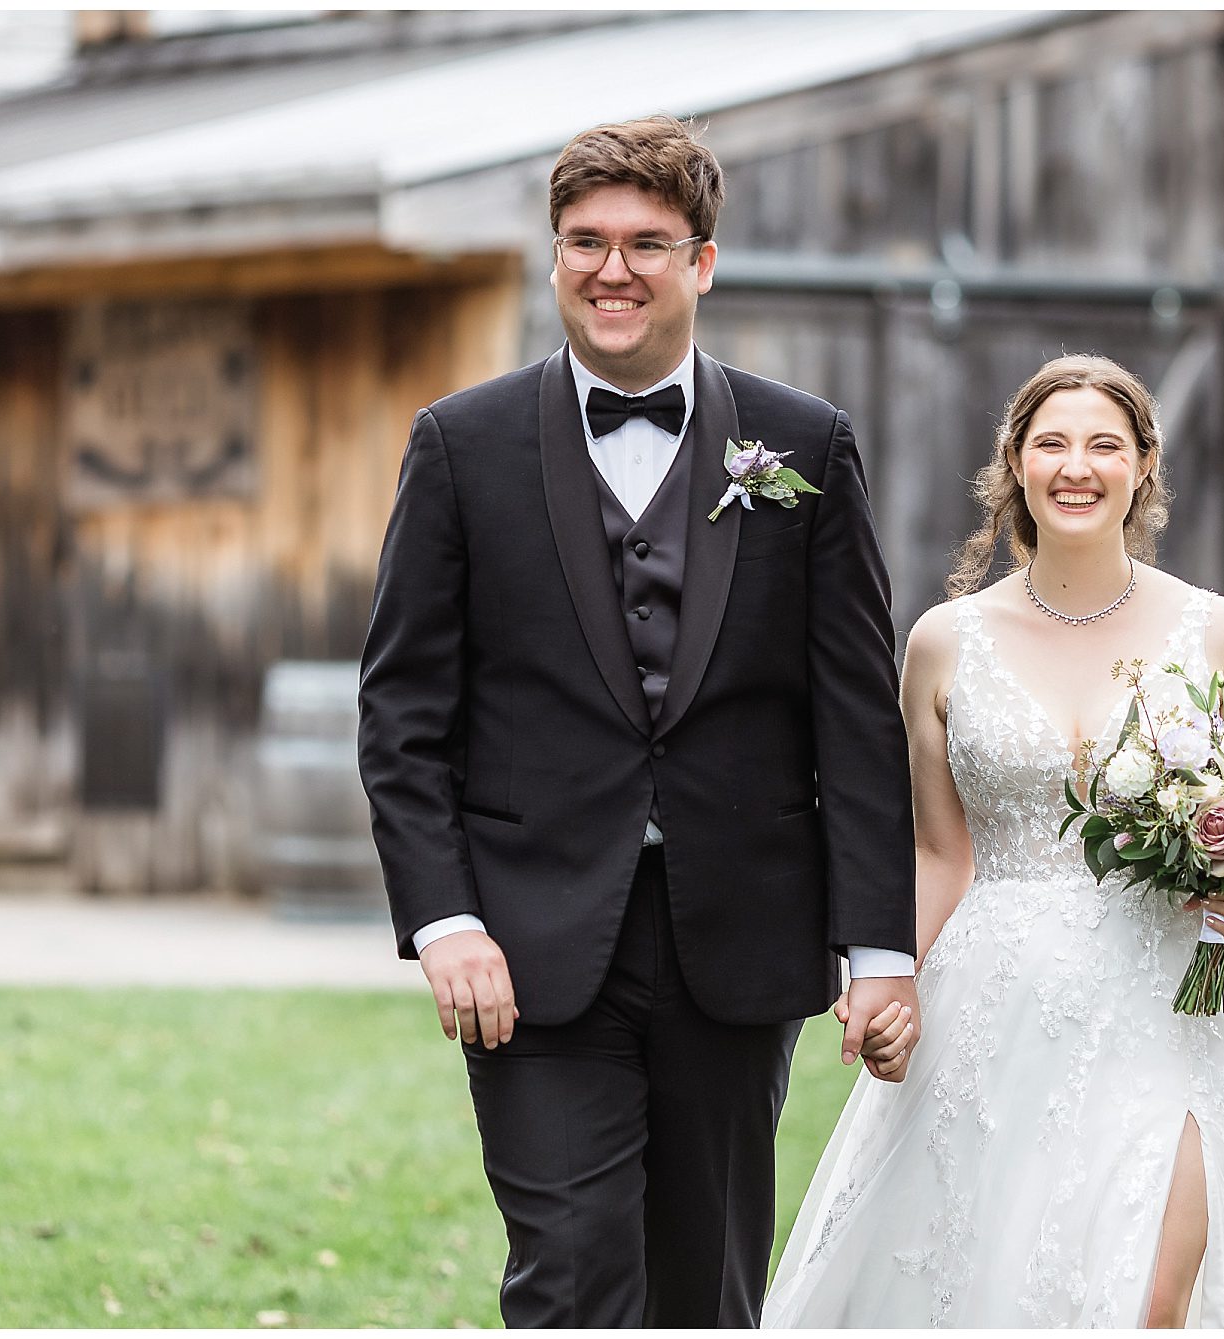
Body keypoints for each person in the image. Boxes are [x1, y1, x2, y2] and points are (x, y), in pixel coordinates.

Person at [356, 115, 921, 1329]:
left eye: (646, 244)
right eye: (585, 242)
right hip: (528, 944)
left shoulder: (803, 443)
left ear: (700, 262)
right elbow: (401, 714)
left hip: (739, 936)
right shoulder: (460, 445)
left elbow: (855, 719)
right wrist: (445, 921)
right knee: (570, 1279)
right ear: (555, 256)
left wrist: (880, 948)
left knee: (706, 1289)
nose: (612, 269)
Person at [763, 355, 1224, 1328]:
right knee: (997, 1290)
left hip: (1170, 1002)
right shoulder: (943, 642)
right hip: (992, 1009)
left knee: (1149, 1297)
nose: (1077, 466)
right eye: (1052, 444)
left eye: (1104, 445)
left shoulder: (1216, 632)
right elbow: (939, 853)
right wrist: (887, 977)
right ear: (1016, 464)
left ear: (1143, 465)